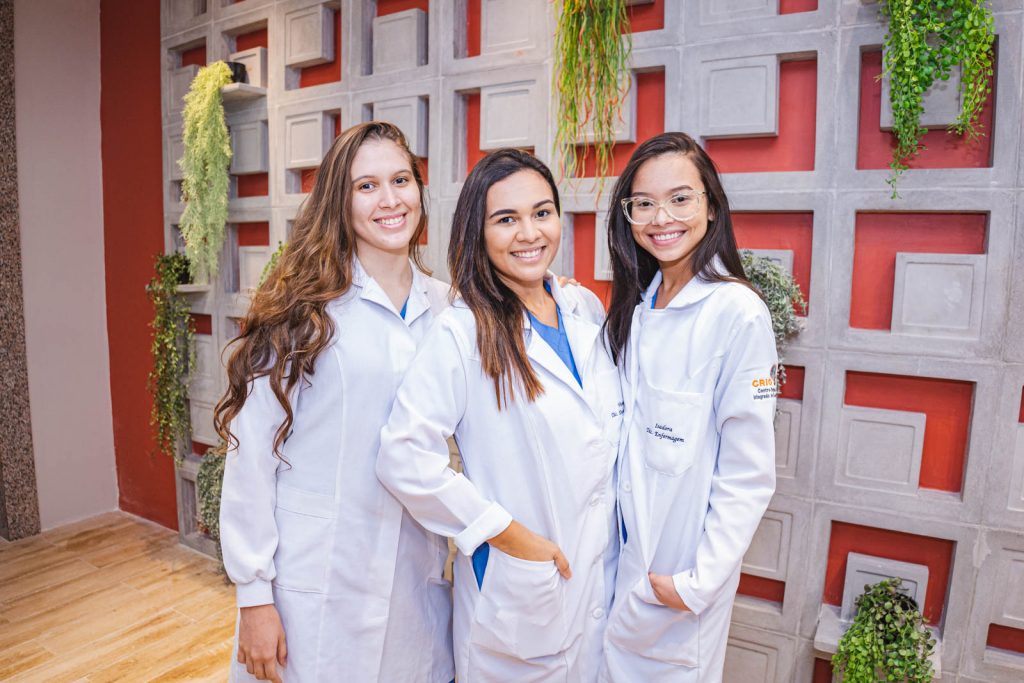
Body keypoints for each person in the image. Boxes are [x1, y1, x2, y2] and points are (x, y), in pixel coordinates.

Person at [215, 121, 454, 683]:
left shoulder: (447, 308)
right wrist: (254, 597)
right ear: (338, 203)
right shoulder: (304, 310)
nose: (390, 200)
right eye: (366, 186)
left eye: (401, 180)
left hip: (412, 581)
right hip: (313, 582)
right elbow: (250, 457)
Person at [376, 148, 622, 682]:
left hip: (598, 585)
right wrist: (504, 533)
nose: (530, 232)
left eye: (542, 212)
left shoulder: (585, 311)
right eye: (506, 219)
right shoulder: (462, 332)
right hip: (523, 592)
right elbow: (402, 456)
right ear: (478, 232)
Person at [599, 132, 777, 682]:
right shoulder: (639, 306)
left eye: (681, 198)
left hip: (675, 583)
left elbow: (748, 473)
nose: (661, 217)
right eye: (643, 203)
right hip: (618, 569)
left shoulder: (737, 313)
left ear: (711, 205)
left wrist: (696, 582)